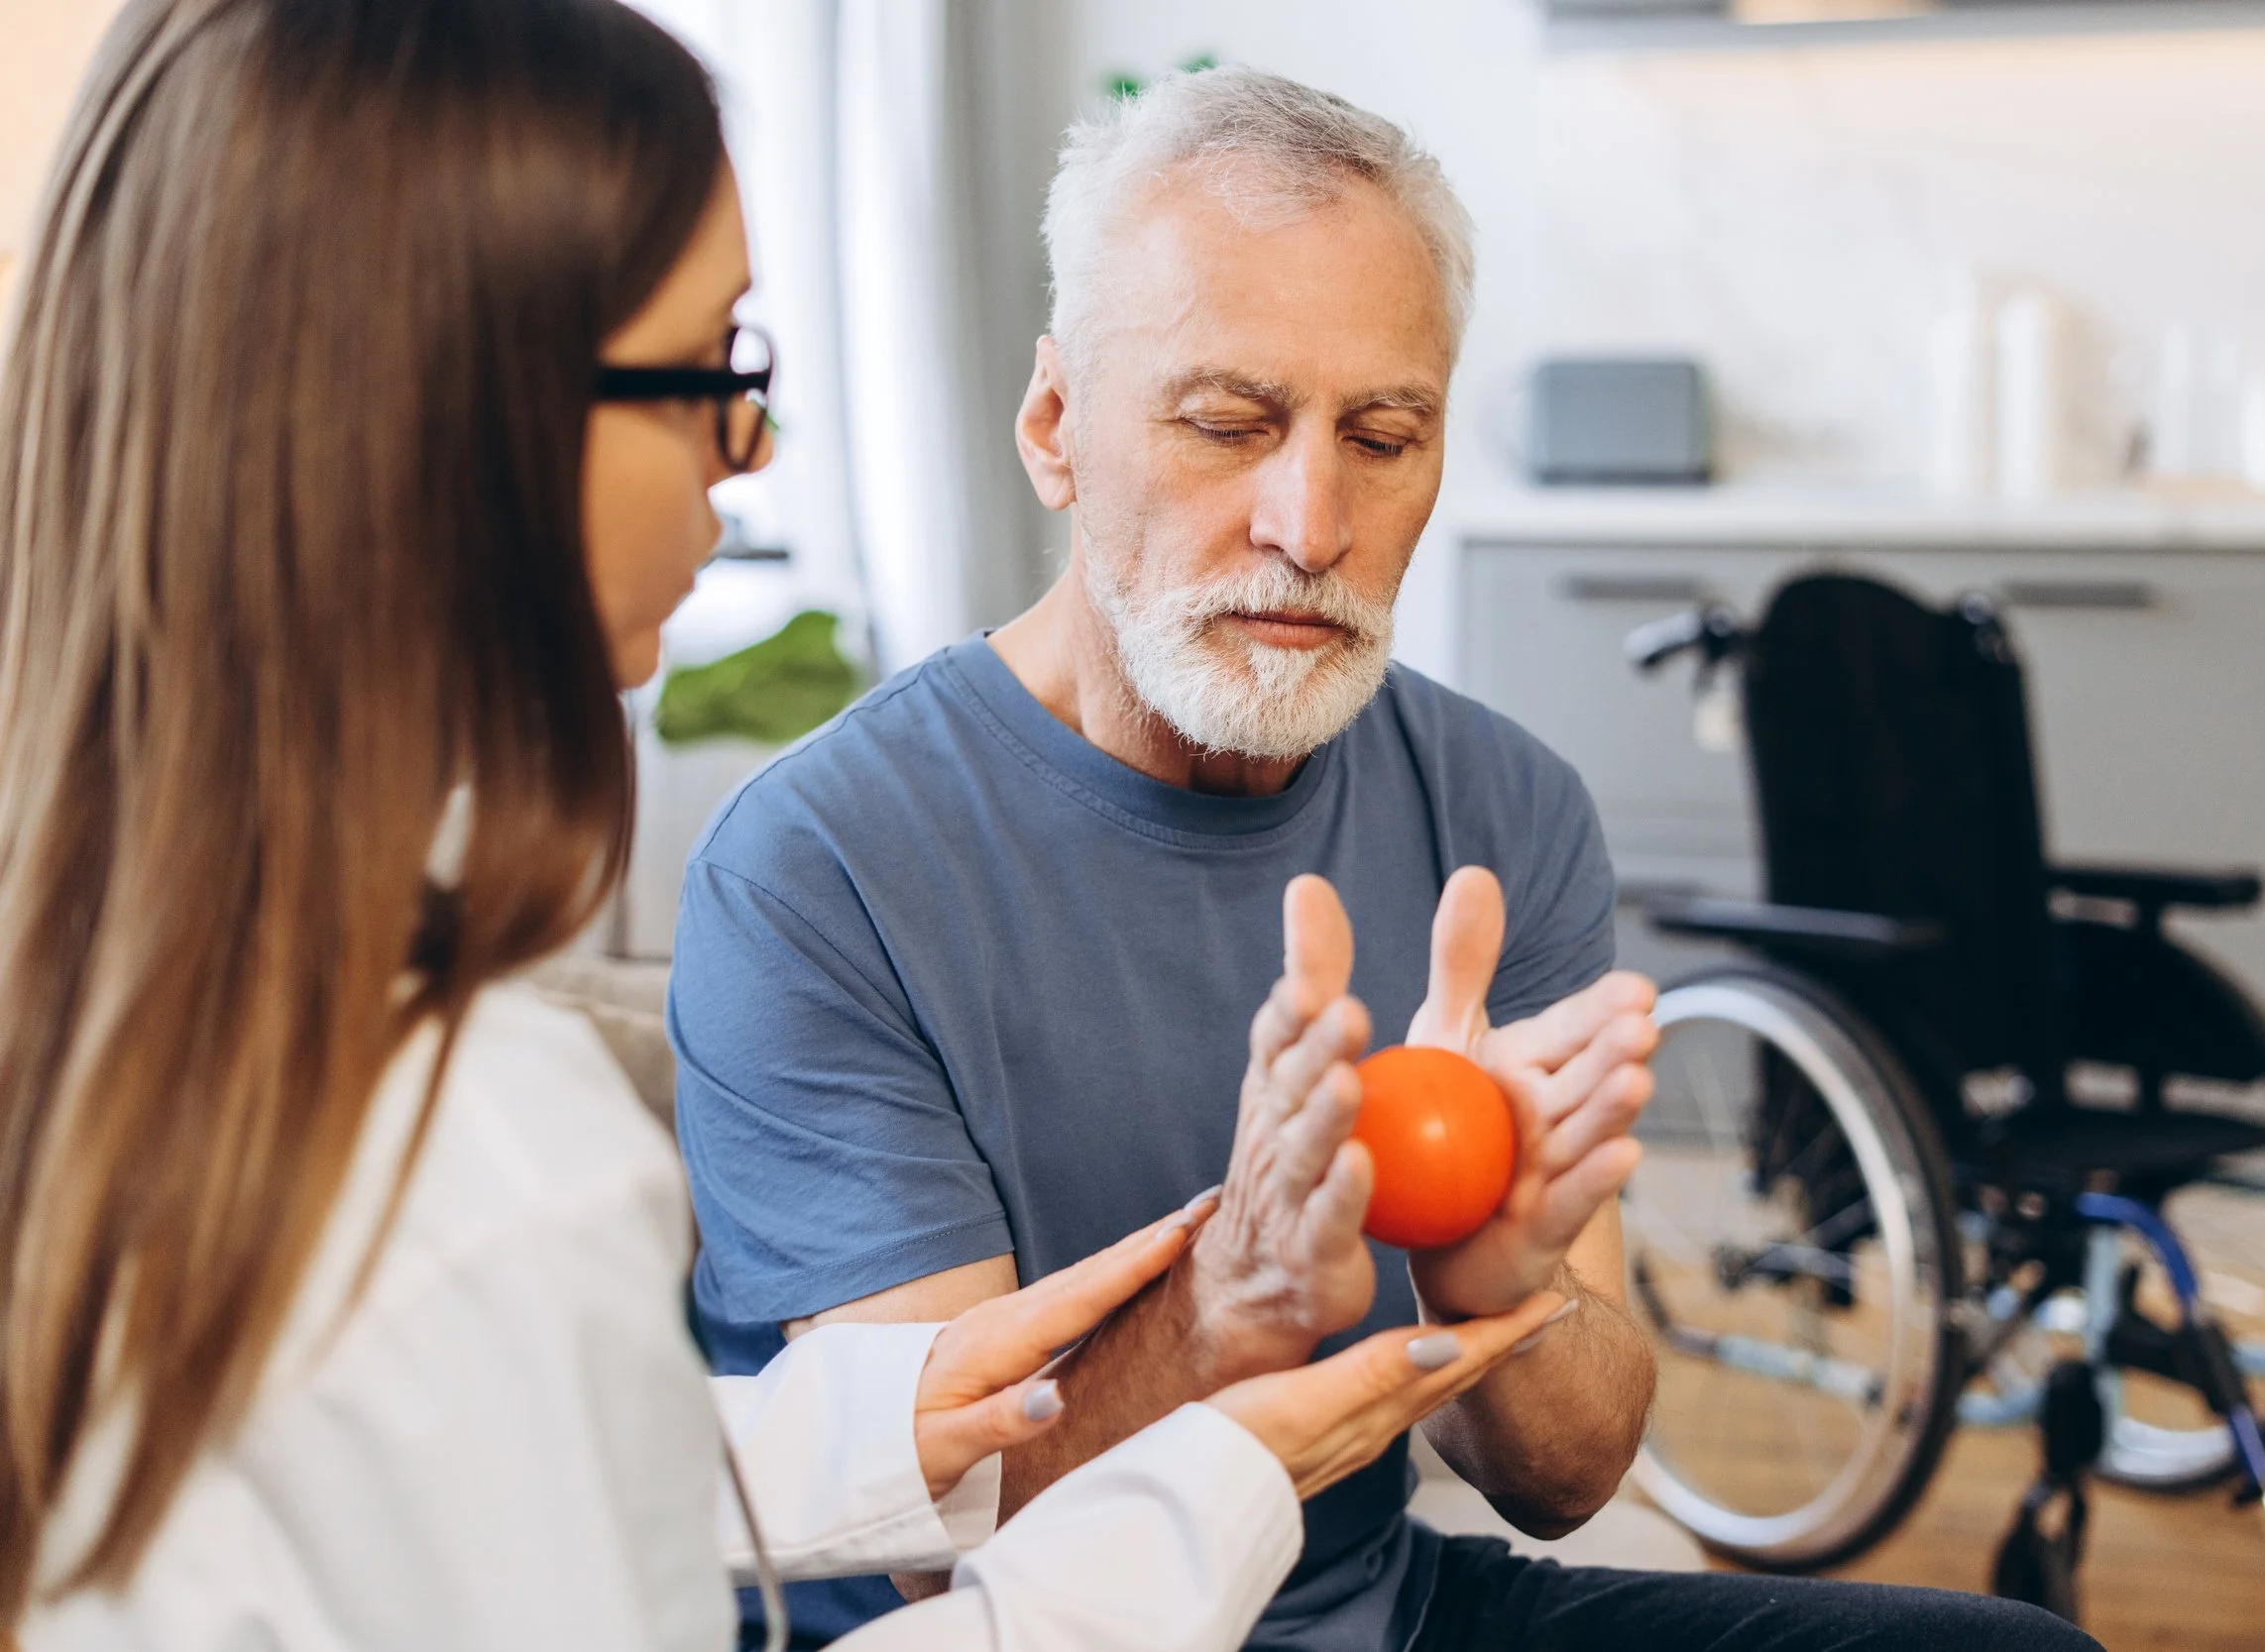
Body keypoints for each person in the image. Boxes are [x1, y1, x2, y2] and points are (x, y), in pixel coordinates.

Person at [0, 6, 1566, 1650]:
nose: (744, 459)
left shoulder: (166, 1044)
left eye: (1384, 435)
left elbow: (485, 1496)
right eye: (713, 372)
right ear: (447, 419)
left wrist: (856, 1439)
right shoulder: (481, 1172)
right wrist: (1209, 1481)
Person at [670, 65, 2102, 1652]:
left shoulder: (1504, 802)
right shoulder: (818, 865)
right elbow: (940, 1549)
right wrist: (1225, 1300)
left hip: (1384, 1610)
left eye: (1383, 433)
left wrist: (1500, 1285)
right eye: (1228, 423)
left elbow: (1569, 1473)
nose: (1310, 516)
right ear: (1056, 424)